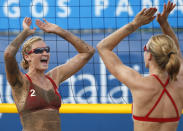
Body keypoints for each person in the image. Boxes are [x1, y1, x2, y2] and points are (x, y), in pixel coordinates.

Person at [97, 1, 183, 131]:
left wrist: (135, 24)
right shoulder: (180, 83)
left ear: (149, 56)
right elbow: (176, 52)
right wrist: (164, 24)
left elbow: (103, 47)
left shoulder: (138, 83)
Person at [4, 17, 95, 131]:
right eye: (38, 51)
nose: (45, 53)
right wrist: (25, 33)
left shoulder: (54, 77)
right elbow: (8, 55)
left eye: (47, 50)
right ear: (27, 57)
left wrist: (59, 30)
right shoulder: (21, 82)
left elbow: (88, 52)